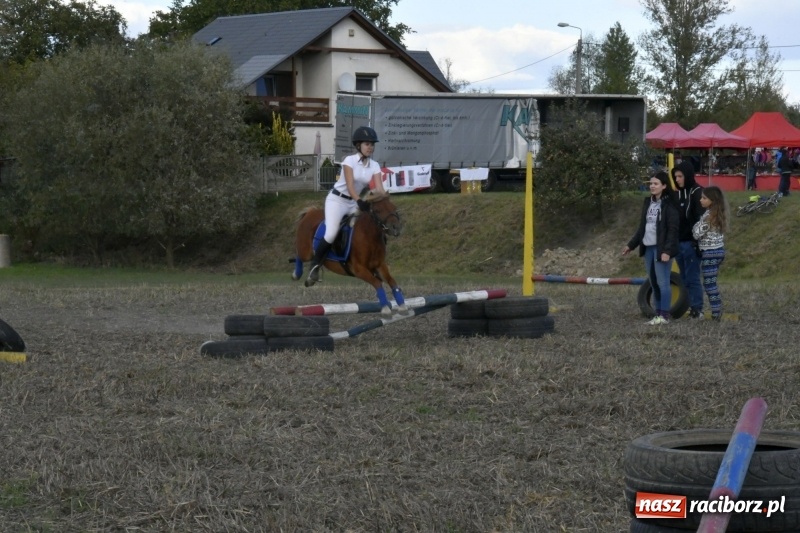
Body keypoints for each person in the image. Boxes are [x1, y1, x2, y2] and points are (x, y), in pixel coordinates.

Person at [305, 126, 387, 286]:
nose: (370, 147)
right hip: (337, 201)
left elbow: (379, 189)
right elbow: (350, 186)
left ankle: (359, 259)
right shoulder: (349, 161)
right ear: (358, 145)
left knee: (366, 227)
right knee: (331, 233)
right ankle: (315, 265)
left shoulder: (374, 165)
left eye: (372, 144)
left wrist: (384, 198)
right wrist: (360, 201)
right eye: (367, 144)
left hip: (354, 202)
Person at [622, 171, 680, 325]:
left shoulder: (669, 205)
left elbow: (673, 231)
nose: (652, 186)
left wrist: (667, 251)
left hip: (661, 249)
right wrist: (631, 245)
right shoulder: (648, 202)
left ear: (664, 186)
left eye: (655, 184)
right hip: (648, 248)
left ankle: (664, 316)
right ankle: (658, 314)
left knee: (663, 282)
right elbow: (642, 227)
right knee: (653, 283)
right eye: (651, 184)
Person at [672, 160, 706, 319]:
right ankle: (687, 306)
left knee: (692, 277)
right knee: (684, 278)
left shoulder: (698, 193)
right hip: (678, 243)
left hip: (691, 243)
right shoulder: (677, 195)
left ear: (688, 175)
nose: (677, 179)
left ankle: (697, 309)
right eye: (675, 176)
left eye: (680, 176)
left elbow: (701, 219)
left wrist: (697, 242)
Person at [692, 186, 728, 321]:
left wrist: (696, 225)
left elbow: (696, 233)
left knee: (709, 284)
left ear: (712, 200)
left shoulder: (708, 216)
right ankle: (716, 311)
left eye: (704, 198)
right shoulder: (717, 214)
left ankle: (716, 313)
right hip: (718, 250)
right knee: (711, 283)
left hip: (710, 252)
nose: (701, 200)